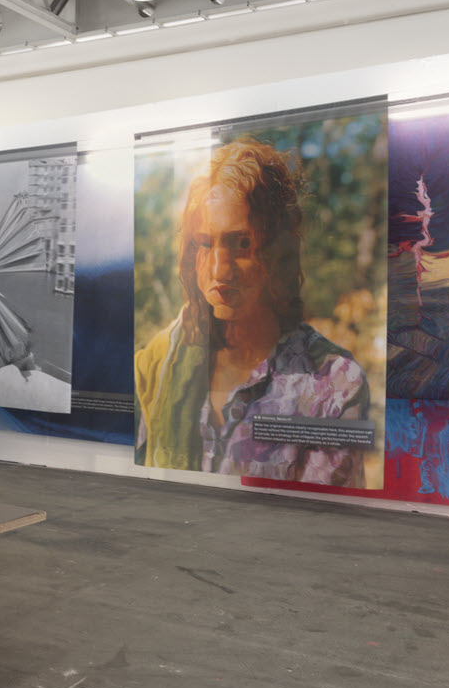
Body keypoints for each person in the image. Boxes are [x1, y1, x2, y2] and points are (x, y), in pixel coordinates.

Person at [135, 138, 371, 486]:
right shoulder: (158, 363)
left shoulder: (333, 383)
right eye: (204, 243)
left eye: (242, 243)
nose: (220, 270)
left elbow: (321, 511)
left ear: (277, 249)